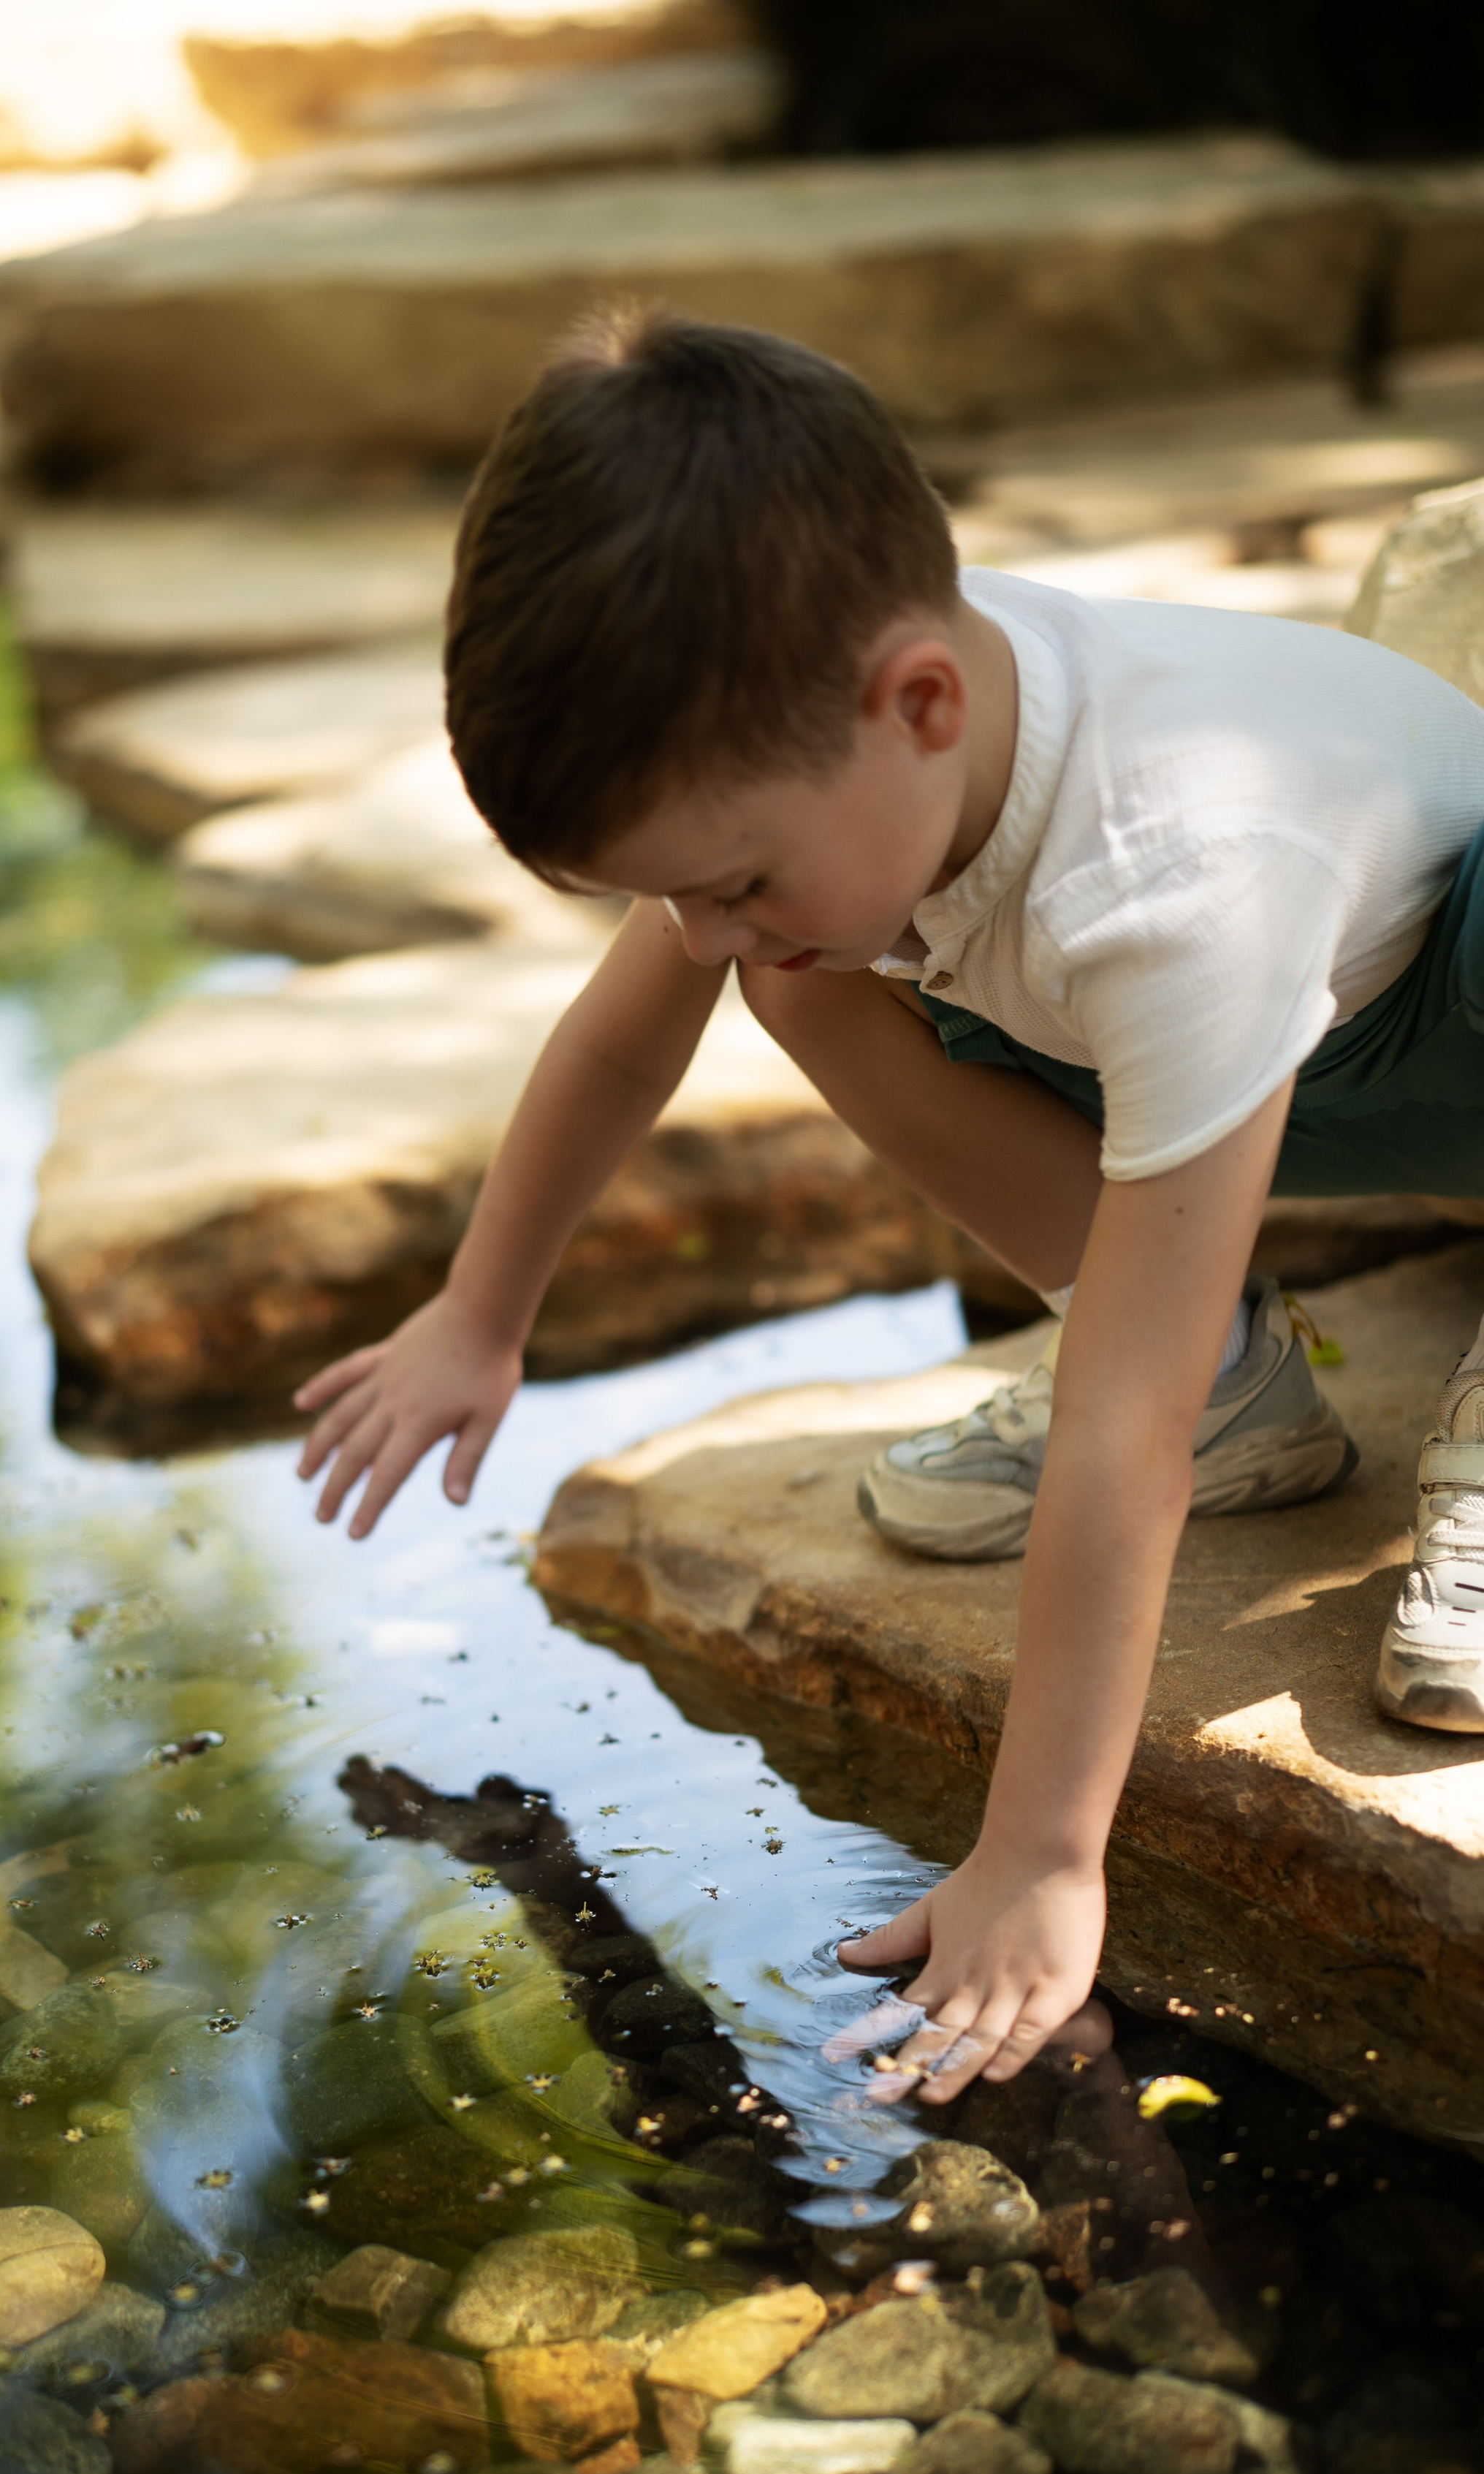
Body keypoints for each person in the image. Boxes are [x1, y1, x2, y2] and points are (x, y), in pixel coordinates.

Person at [295, 308, 1484, 2107]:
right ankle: (1261, 1378)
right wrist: (479, 1312)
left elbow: (1115, 1435)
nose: (688, 929)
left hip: (1429, 1031)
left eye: (722, 879)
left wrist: (1040, 1857)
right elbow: (626, 1044)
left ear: (917, 700)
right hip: (1275, 1053)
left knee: (1078, 1281)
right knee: (800, 973)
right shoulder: (833, 710)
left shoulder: (1179, 870)